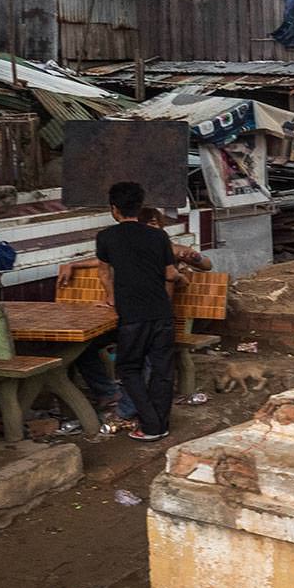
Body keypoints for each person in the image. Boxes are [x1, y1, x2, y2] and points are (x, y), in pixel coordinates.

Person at [94, 181, 181, 441]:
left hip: (132, 314)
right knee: (162, 370)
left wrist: (110, 298)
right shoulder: (159, 236)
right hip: (161, 312)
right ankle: (159, 425)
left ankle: (151, 424)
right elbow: (169, 273)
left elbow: (103, 271)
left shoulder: (106, 237)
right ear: (140, 206)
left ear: (114, 209)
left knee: (129, 369)